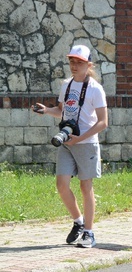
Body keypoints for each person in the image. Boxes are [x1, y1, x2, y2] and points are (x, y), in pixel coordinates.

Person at [32, 45, 108, 248]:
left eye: (79, 62)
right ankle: (79, 222)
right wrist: (46, 110)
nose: (74, 66)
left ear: (88, 65)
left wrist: (81, 137)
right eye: (72, 62)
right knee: (61, 185)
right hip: (66, 141)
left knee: (85, 187)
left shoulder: (95, 89)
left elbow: (103, 122)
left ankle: (89, 233)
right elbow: (61, 111)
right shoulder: (66, 85)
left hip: (86, 144)